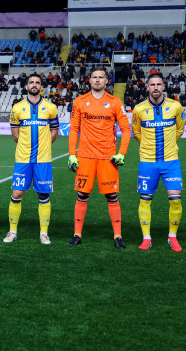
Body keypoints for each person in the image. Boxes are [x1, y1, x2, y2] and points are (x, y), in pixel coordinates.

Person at [67, 66, 131, 248]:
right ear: (89, 79)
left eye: (101, 77)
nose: (97, 80)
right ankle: (77, 234)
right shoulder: (80, 101)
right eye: (94, 77)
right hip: (85, 157)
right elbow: (74, 129)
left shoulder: (115, 102)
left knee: (112, 196)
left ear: (106, 80)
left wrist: (122, 153)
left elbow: (126, 129)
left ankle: (117, 236)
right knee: (82, 195)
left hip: (107, 158)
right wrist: (72, 154)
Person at [4, 74, 59, 244]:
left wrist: (44, 145)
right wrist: (26, 147)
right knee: (17, 193)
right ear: (26, 86)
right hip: (23, 158)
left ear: (42, 87)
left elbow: (54, 132)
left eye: (37, 83)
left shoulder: (51, 107)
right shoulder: (17, 108)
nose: (34, 85)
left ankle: (44, 233)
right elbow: (15, 135)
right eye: (31, 82)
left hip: (43, 159)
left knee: (43, 194)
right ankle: (12, 231)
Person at [132, 73, 184, 251]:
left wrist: (169, 145)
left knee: (175, 200)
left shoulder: (175, 106)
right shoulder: (139, 109)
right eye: (152, 84)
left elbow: (180, 129)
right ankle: (146, 238)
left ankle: (172, 237)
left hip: (171, 161)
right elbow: (136, 132)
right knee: (145, 200)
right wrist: (148, 146)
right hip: (148, 162)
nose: (155, 87)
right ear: (147, 87)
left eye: (158, 84)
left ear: (164, 86)